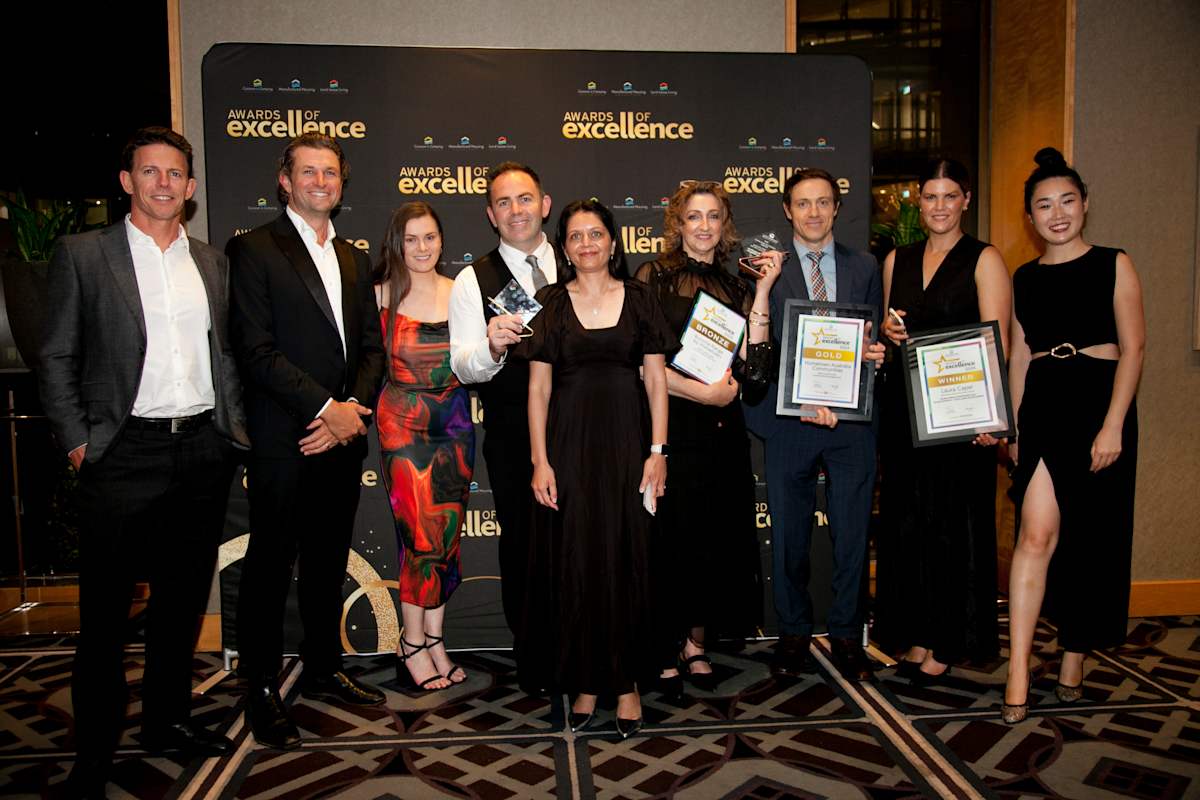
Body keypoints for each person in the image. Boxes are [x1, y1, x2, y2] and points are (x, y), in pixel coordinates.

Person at [38, 127, 248, 795]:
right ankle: (94, 754)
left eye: (175, 173)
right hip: (122, 451)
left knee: (181, 605)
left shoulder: (212, 263)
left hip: (202, 451)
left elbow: (226, 355)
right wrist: (79, 441)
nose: (163, 183)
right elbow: (55, 355)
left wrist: (231, 434)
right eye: (150, 171)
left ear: (191, 187)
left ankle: (166, 722)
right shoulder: (84, 254)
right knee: (104, 617)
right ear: (127, 181)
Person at [228, 132, 386, 750]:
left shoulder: (353, 258)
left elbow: (371, 350)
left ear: (341, 184)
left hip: (342, 439)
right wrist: (326, 410)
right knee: (270, 566)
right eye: (308, 172)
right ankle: (261, 686)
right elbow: (255, 350)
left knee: (326, 560)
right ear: (285, 181)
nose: (321, 181)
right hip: (285, 439)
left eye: (330, 173)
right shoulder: (254, 249)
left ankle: (324, 665)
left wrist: (351, 413)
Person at [1001, 148, 1143, 723]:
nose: (1056, 214)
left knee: (1089, 541)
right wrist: (1014, 426)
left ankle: (1073, 656)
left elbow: (1134, 348)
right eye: (1044, 205)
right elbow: (1018, 356)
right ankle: (1017, 667)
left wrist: (1113, 423)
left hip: (1099, 403)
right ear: (1029, 216)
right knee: (1034, 535)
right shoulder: (1025, 277)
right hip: (1043, 406)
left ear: (1085, 204)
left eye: (1066, 201)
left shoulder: (1114, 263)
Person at [524, 199, 674, 738]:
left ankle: (627, 682)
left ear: (613, 241)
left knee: (628, 557)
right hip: (568, 449)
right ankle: (586, 679)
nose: (586, 243)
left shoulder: (641, 299)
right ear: (564, 248)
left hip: (629, 447)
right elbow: (538, 389)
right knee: (578, 562)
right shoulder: (549, 303)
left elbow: (656, 381)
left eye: (595, 234)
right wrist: (540, 460)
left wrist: (658, 451)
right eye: (575, 236)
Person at [633, 181, 777, 696]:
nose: (704, 226)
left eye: (714, 216)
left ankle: (695, 644)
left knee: (712, 539)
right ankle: (664, 643)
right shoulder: (653, 278)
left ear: (725, 225)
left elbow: (755, 374)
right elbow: (640, 364)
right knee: (670, 538)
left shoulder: (739, 287)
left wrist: (763, 291)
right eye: (694, 216)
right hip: (671, 426)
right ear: (678, 223)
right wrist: (704, 394)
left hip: (722, 434)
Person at [743, 167, 885, 681]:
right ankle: (793, 633)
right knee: (789, 537)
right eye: (803, 203)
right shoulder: (768, 268)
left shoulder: (864, 265)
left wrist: (875, 354)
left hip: (850, 424)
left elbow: (870, 337)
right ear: (787, 210)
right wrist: (800, 398)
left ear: (836, 208)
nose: (813, 212)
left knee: (852, 536)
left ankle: (847, 634)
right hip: (789, 420)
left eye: (823, 202)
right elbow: (759, 348)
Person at [874, 158, 1011, 683]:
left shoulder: (984, 258)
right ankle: (917, 632)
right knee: (909, 524)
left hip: (960, 417)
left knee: (954, 527)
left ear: (966, 201)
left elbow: (997, 341)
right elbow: (889, 327)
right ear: (919, 201)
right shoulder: (898, 259)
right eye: (930, 196)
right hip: (905, 414)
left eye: (950, 196)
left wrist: (993, 417)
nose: (939, 206)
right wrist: (888, 331)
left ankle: (947, 641)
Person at [447, 161, 563, 693]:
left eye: (525, 199)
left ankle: (590, 649)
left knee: (590, 538)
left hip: (585, 427)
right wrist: (492, 348)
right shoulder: (474, 279)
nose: (516, 211)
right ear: (491, 215)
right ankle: (535, 654)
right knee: (525, 544)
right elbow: (463, 365)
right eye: (503, 202)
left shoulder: (581, 258)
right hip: (514, 431)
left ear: (544, 204)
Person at [373, 202, 474, 691]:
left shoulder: (461, 293)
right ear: (397, 243)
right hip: (403, 425)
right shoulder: (379, 295)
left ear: (441, 240)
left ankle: (435, 639)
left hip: (454, 425)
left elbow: (476, 359)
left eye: (429, 237)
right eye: (411, 239)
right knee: (420, 539)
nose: (421, 248)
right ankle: (411, 642)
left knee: (445, 536)